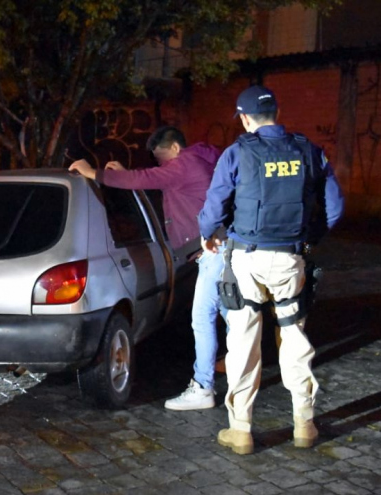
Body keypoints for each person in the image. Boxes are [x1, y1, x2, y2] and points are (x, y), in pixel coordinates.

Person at [199, 85, 344, 455]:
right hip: (290, 258)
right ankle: (304, 426)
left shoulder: (236, 153)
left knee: (244, 343)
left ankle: (242, 430)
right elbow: (335, 208)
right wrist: (309, 240)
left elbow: (214, 208)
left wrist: (207, 235)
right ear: (276, 113)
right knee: (294, 340)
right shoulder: (309, 151)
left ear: (245, 118)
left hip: (247, 259)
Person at [69, 127, 225, 410]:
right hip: (215, 250)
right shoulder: (198, 161)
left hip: (212, 252)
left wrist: (94, 173)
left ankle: (204, 387)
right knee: (228, 317)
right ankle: (235, 375)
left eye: (162, 159)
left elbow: (148, 177)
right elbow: (154, 180)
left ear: (175, 148)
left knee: (203, 319)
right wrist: (125, 173)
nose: (162, 166)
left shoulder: (185, 163)